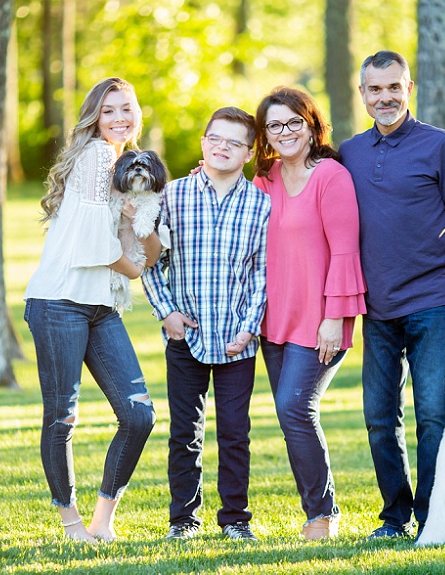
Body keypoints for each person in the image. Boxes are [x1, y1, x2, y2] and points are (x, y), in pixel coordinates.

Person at [338, 51, 445, 539]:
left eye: (393, 87)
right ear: (362, 93)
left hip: (433, 301)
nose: (385, 97)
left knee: (434, 416)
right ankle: (395, 516)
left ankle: (433, 517)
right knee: (379, 418)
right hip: (375, 308)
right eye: (375, 89)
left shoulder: (440, 145)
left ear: (409, 88)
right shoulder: (349, 152)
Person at [23, 77, 161, 543]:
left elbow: (152, 252)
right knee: (62, 416)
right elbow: (94, 246)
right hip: (60, 300)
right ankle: (72, 524)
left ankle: (103, 520)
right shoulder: (98, 156)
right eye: (109, 111)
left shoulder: (126, 165)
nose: (120, 118)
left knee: (138, 414)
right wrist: (134, 267)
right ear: (94, 118)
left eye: (127, 109)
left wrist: (136, 217)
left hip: (102, 307)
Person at [141, 107, 271, 542]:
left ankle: (235, 518)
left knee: (235, 434)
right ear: (203, 142)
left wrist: (250, 326)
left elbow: (261, 274)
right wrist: (166, 313)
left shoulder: (260, 206)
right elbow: (150, 261)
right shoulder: (171, 197)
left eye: (234, 142)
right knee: (185, 433)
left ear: (248, 153)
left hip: (237, 339)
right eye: (215, 138)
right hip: (186, 334)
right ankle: (184, 519)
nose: (222, 147)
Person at [252, 87, 366, 540]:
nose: (285, 132)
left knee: (294, 407)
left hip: (321, 318)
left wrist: (334, 317)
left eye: (293, 122)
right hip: (273, 318)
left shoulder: (331, 176)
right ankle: (315, 510)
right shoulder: (265, 179)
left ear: (312, 124)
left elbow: (344, 251)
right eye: (275, 125)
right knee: (289, 414)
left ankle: (323, 514)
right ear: (265, 134)